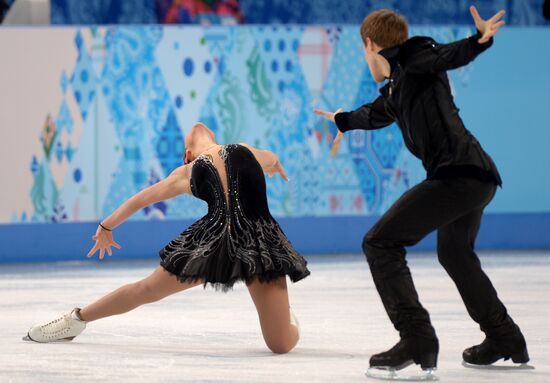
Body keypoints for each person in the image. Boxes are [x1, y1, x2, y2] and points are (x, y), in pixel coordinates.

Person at [314, 5, 528, 374]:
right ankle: (505, 337)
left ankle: (417, 339)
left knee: (379, 242)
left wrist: (477, 41)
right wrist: (343, 121)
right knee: (455, 254)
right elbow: (376, 112)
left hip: (458, 176)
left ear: (369, 43)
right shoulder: (400, 84)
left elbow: (445, 56)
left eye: (362, 50)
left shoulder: (416, 57)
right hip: (474, 176)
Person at [24, 122, 310, 354]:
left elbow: (270, 159)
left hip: (260, 244)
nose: (198, 127)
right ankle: (75, 320)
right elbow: (139, 201)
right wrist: (106, 226)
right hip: (214, 243)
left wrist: (273, 165)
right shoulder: (185, 174)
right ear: (188, 154)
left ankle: (284, 315)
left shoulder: (243, 149)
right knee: (145, 290)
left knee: (281, 344)